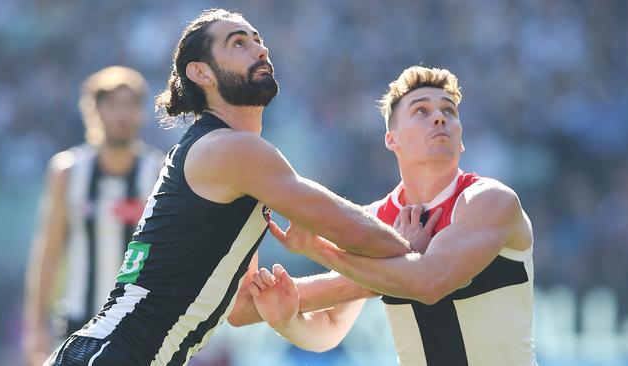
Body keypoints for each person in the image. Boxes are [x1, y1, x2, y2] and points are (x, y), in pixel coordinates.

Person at [43, 8, 415, 366]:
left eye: (257, 39)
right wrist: (415, 251)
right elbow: (370, 239)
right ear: (201, 72)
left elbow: (242, 307)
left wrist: (366, 284)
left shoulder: (227, 154)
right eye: (239, 43)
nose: (260, 48)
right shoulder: (233, 149)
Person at [245, 66, 537, 365]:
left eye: (449, 111)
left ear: (461, 139)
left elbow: (430, 283)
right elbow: (331, 327)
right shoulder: (374, 219)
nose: (439, 117)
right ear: (391, 140)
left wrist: (318, 248)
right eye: (421, 111)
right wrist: (287, 322)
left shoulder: (490, 200)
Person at [23, 66, 164, 366]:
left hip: (138, 326)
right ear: (94, 110)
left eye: (130, 105)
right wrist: (35, 325)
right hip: (78, 322)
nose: (122, 115)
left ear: (141, 113)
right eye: (113, 105)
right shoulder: (68, 172)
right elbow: (48, 252)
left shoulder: (159, 173)